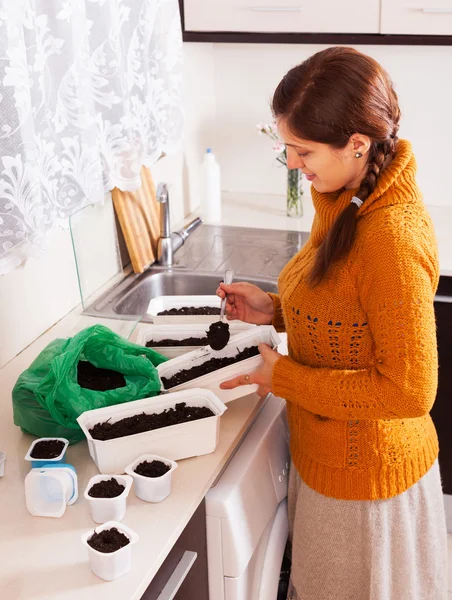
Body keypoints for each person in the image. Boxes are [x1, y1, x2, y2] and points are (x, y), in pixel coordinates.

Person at [217, 46, 447, 600]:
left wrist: (287, 379)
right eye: (287, 148)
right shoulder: (346, 197)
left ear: (358, 144)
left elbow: (411, 390)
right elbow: (348, 311)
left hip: (370, 490)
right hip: (329, 468)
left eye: (302, 150)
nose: (293, 164)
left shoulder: (390, 237)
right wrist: (274, 309)